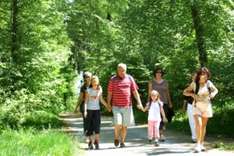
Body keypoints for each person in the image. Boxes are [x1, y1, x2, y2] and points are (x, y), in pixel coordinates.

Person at [107, 63, 144, 148]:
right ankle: (116, 137)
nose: (121, 72)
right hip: (116, 106)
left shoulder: (130, 78)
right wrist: (108, 104)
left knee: (124, 126)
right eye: (119, 70)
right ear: (117, 70)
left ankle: (122, 142)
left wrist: (139, 102)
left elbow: (135, 92)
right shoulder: (113, 79)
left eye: (123, 70)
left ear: (125, 70)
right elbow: (109, 93)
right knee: (118, 124)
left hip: (127, 106)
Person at [183, 67, 218, 153]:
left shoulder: (208, 83)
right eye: (202, 73)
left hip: (206, 106)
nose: (204, 75)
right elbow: (184, 92)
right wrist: (192, 95)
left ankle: (201, 144)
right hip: (197, 106)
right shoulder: (194, 83)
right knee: (199, 124)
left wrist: (213, 94)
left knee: (203, 126)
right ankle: (198, 145)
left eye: (205, 74)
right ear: (199, 75)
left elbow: (216, 90)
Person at [84, 76, 111, 150]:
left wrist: (107, 106)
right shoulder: (88, 90)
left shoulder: (99, 90)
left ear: (98, 82)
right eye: (93, 82)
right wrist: (85, 110)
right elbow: (86, 101)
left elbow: (101, 100)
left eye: (96, 82)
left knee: (97, 127)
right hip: (89, 110)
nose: (94, 83)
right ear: (91, 82)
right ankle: (90, 142)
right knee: (90, 127)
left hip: (97, 110)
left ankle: (97, 142)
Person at [148, 67, 173, 141]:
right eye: (157, 72)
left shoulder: (165, 82)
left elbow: (167, 92)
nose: (159, 74)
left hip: (164, 102)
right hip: (154, 103)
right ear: (155, 73)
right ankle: (153, 134)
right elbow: (149, 93)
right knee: (154, 118)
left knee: (162, 118)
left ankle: (161, 134)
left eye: (160, 72)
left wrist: (170, 102)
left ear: (162, 74)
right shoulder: (151, 82)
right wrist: (148, 102)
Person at [183, 73, 197, 143]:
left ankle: (199, 136)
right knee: (192, 121)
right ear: (192, 78)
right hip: (191, 105)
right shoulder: (190, 85)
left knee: (199, 121)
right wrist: (191, 94)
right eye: (194, 77)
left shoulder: (203, 84)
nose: (195, 78)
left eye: (196, 76)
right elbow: (184, 95)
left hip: (200, 105)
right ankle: (194, 137)